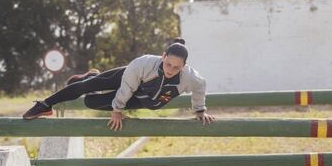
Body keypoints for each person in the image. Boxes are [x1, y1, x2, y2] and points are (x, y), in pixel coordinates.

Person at [23, 38, 216, 130]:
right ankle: (45, 105)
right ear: (162, 56)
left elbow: (201, 86)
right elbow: (127, 88)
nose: (170, 69)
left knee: (90, 102)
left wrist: (199, 110)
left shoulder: (190, 77)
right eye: (168, 64)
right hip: (127, 78)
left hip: (143, 99)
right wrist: (117, 110)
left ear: (184, 66)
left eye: (176, 67)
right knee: (85, 87)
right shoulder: (143, 64)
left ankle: (92, 76)